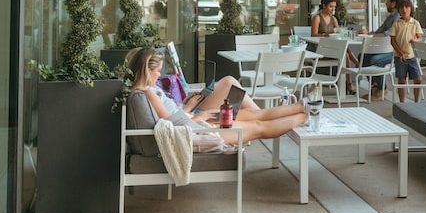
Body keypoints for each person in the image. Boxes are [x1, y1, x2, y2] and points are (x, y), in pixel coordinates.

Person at [126, 48, 307, 144]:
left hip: (193, 122)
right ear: (146, 71)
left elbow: (172, 117)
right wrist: (197, 117)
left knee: (254, 117)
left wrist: (189, 111)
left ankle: (301, 108)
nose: (159, 75)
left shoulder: (148, 90)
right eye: (157, 71)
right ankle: (305, 114)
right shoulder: (149, 93)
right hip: (197, 129)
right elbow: (170, 123)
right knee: (258, 125)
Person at [359, 0, 401, 98]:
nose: (385, 3)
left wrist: (373, 36)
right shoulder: (391, 16)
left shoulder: (397, 17)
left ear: (393, 3)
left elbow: (389, 33)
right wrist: (368, 33)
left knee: (375, 60)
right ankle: (376, 87)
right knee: (362, 56)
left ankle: (382, 89)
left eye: (387, 1)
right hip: (385, 50)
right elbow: (380, 31)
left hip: (395, 51)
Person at [390, 0, 424, 103]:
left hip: (412, 56)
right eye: (401, 7)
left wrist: (415, 39)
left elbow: (420, 37)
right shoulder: (396, 24)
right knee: (401, 80)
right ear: (399, 10)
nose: (404, 10)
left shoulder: (415, 23)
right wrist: (400, 53)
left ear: (411, 9)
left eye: (407, 7)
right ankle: (402, 103)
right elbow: (392, 40)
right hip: (399, 56)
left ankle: (416, 102)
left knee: (418, 79)